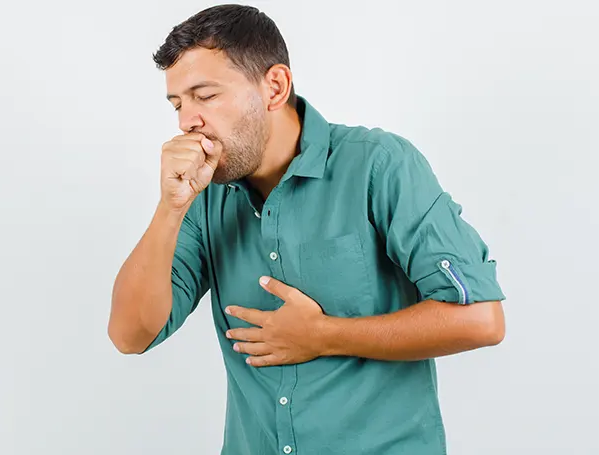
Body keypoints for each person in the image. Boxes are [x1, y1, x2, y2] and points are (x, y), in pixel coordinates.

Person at [108, 4, 506, 454]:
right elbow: (130, 335)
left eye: (205, 95)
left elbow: (480, 319)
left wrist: (323, 334)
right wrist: (169, 207)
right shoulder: (203, 197)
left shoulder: (378, 165)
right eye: (178, 104)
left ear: (274, 87)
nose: (186, 121)